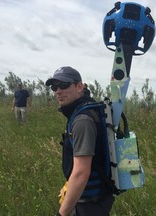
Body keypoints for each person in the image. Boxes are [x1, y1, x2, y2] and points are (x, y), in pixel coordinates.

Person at [45, 66, 115, 216]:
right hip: (95, 199)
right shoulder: (82, 111)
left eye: (64, 85)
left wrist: (62, 213)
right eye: (54, 87)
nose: (58, 91)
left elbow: (81, 172)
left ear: (79, 87)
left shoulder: (82, 120)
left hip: (89, 204)